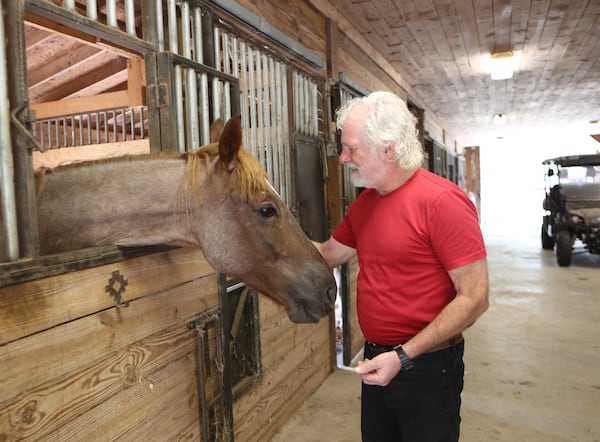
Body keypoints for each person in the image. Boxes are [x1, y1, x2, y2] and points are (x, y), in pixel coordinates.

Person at [312, 91, 489, 442]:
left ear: (388, 149)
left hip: (426, 367)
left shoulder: (441, 202)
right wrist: (265, 238)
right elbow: (328, 254)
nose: (344, 158)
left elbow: (475, 298)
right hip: (377, 360)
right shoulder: (365, 204)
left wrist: (403, 357)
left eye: (352, 149)